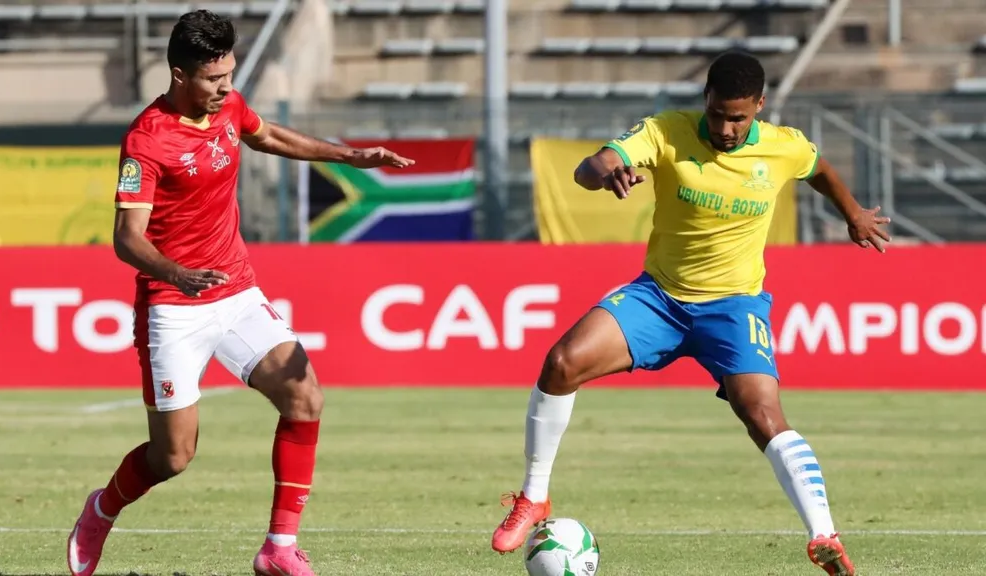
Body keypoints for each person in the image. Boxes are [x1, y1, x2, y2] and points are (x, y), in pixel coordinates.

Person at [490, 51, 889, 576]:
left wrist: (854, 213)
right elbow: (592, 165)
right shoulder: (665, 131)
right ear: (705, 99)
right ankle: (535, 498)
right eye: (719, 114)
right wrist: (609, 172)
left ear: (759, 107)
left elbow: (821, 170)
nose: (726, 128)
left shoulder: (782, 147)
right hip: (660, 298)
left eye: (739, 117)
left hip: (734, 306)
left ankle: (823, 535)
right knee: (562, 362)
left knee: (763, 415)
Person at [65, 10, 414, 576]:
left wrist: (348, 156)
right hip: (172, 306)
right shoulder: (145, 140)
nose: (225, 89)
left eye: (229, 76)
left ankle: (278, 548)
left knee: (305, 397)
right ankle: (101, 508)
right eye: (213, 79)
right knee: (173, 457)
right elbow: (126, 238)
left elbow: (269, 135)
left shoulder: (227, 104)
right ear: (180, 75)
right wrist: (175, 273)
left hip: (235, 291)